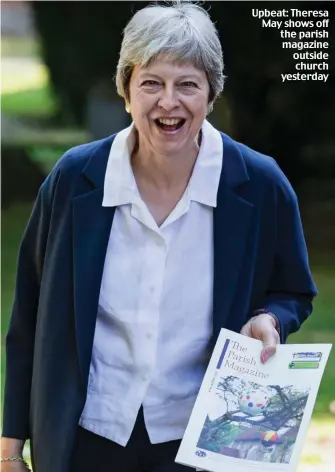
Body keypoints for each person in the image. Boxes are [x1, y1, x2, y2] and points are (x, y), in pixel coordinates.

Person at [1, 2, 317, 472]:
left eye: (187, 84)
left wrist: (270, 318)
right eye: (151, 83)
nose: (169, 102)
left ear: (211, 95)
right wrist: (9, 449)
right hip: (85, 436)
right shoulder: (74, 180)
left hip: (202, 439)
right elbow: (28, 317)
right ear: (126, 91)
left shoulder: (261, 183)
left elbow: (292, 289)